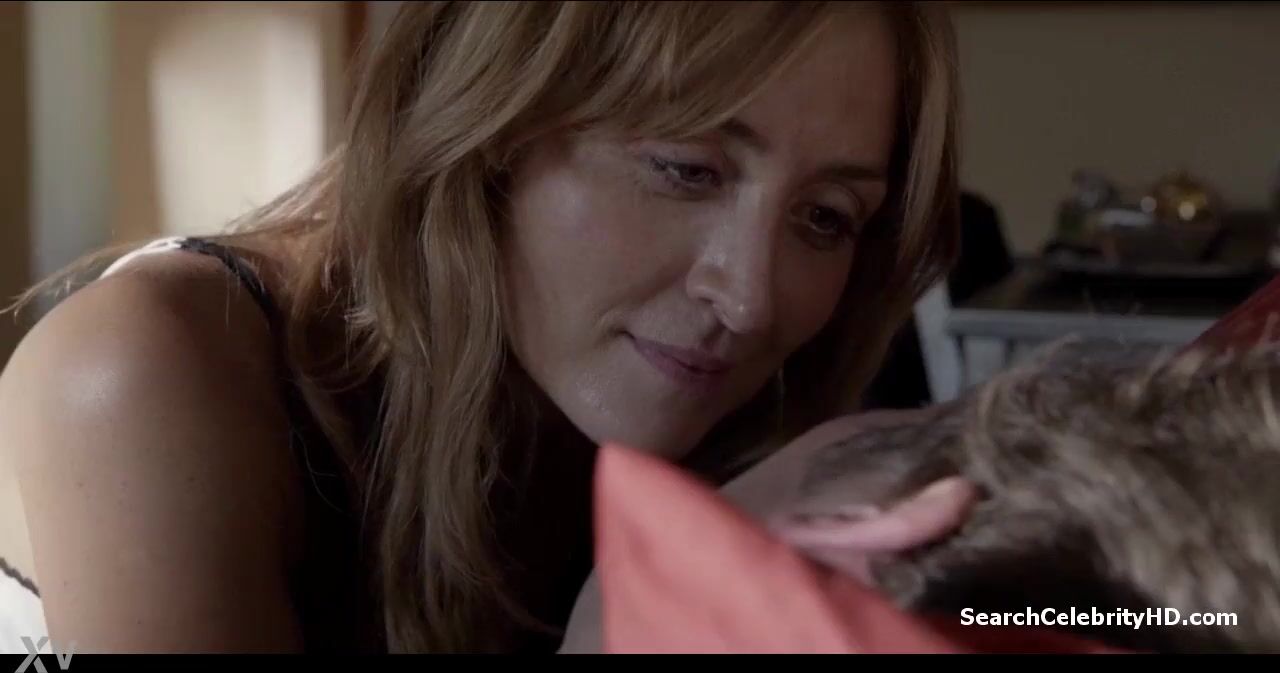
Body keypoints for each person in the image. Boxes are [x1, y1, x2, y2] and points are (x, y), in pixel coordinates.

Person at [0, 1, 961, 654]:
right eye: (685, 169)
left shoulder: (735, 436)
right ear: (490, 131)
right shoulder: (150, 369)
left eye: (825, 217)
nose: (750, 298)